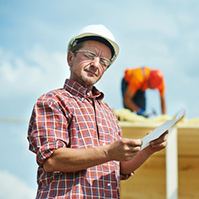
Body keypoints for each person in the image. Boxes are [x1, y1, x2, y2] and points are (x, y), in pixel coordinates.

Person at [27, 24, 168, 199]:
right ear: (70, 58)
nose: (95, 64)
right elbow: (53, 160)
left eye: (103, 62)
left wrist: (148, 148)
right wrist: (108, 152)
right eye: (90, 55)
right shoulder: (53, 101)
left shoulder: (108, 112)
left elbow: (121, 168)